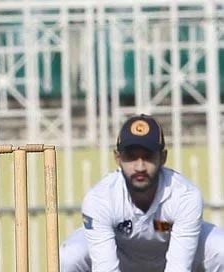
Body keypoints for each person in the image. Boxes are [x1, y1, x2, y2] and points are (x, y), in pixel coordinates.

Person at [60, 114, 224, 271]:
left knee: (221, 248)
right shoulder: (100, 199)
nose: (140, 167)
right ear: (117, 158)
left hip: (176, 253)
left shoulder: (185, 195)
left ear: (163, 157)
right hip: (120, 254)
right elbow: (106, 268)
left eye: (148, 156)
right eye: (131, 157)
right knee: (69, 257)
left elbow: (179, 268)